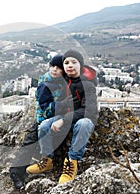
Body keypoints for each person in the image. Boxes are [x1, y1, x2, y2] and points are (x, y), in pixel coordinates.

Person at [26, 49, 98, 184]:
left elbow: (90, 111)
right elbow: (48, 80)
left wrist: (63, 120)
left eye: (74, 62)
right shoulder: (64, 81)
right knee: (44, 126)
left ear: (81, 65)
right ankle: (47, 160)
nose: (70, 65)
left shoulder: (88, 85)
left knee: (85, 124)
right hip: (65, 118)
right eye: (66, 63)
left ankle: (72, 163)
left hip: (81, 119)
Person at [9, 54, 69, 189]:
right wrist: (62, 105)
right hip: (43, 119)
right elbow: (45, 108)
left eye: (58, 68)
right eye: (52, 66)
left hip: (56, 119)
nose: (54, 69)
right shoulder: (45, 84)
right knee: (29, 144)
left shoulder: (62, 82)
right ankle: (15, 173)